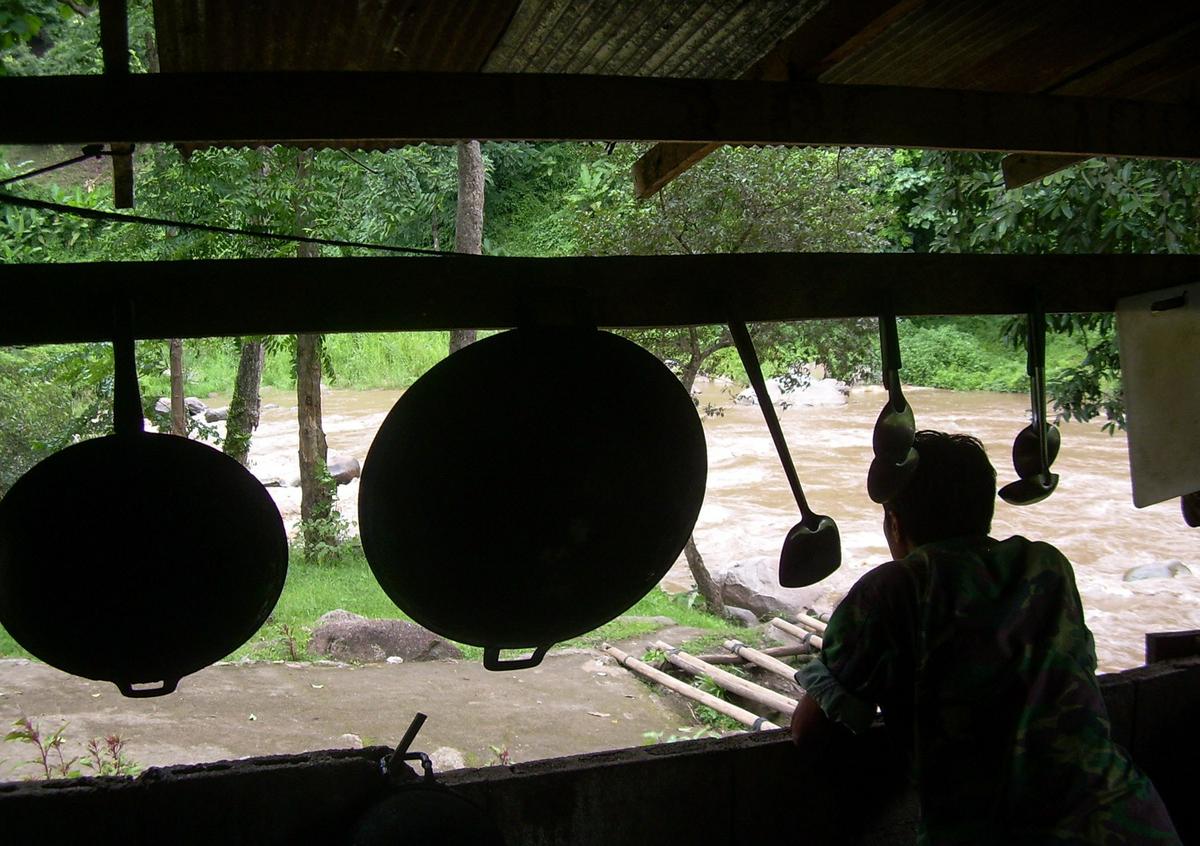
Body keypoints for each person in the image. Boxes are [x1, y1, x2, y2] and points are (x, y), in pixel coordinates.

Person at [791, 430, 1180, 845]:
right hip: (1129, 817)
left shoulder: (894, 588)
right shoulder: (1045, 565)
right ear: (984, 509)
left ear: (895, 521)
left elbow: (809, 730)